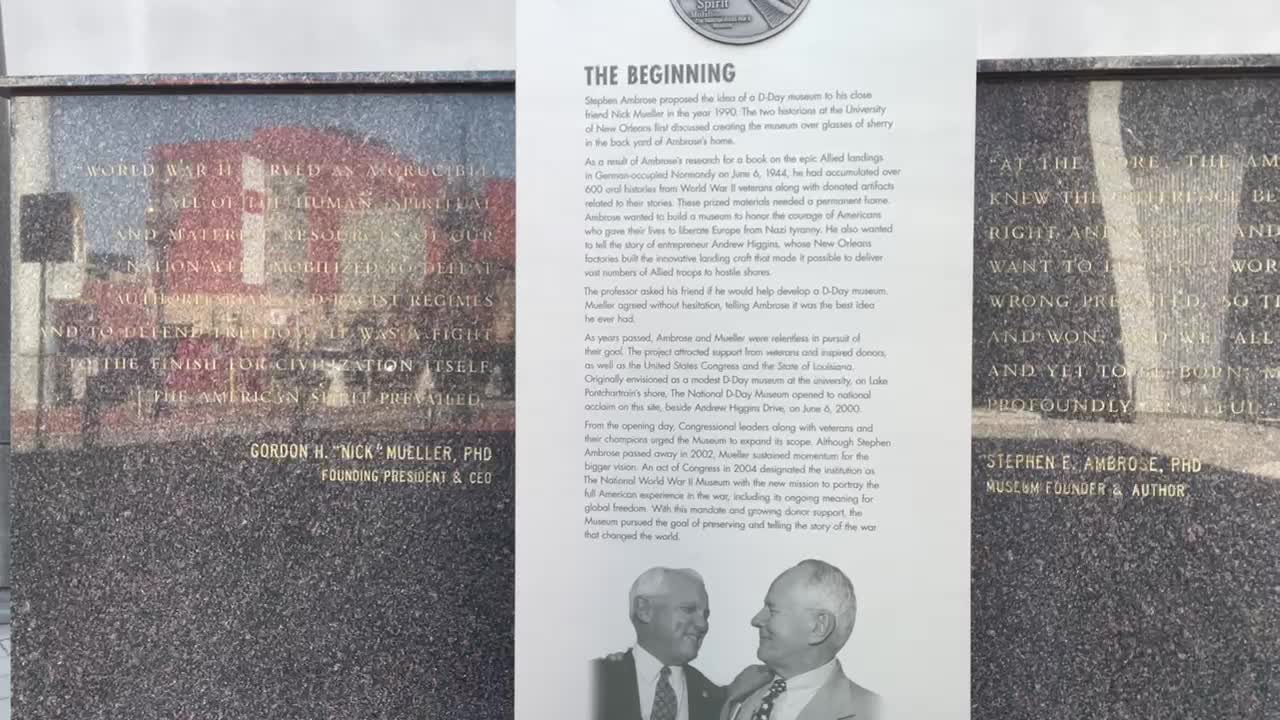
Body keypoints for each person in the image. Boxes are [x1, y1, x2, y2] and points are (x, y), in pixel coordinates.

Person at [722, 560, 881, 720]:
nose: (756, 620)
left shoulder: (872, 712)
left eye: (772, 610)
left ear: (818, 627)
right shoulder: (744, 687)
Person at [592, 567, 725, 720]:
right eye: (688, 609)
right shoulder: (592, 681)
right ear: (644, 610)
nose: (703, 625)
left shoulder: (715, 698)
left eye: (705, 615)